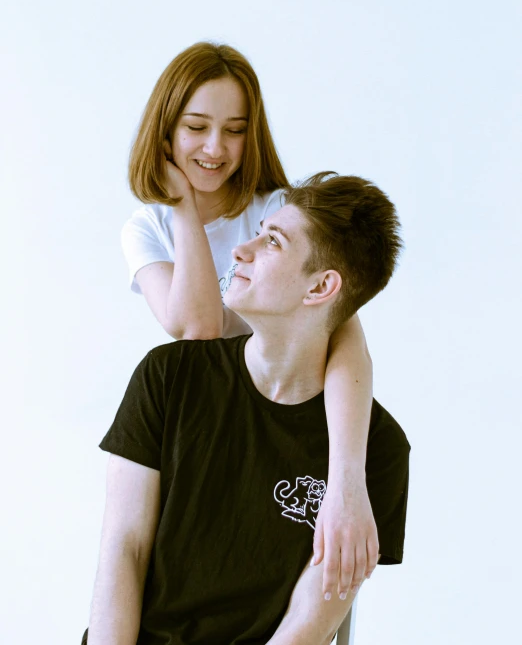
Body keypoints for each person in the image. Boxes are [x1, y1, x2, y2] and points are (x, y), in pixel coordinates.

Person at [83, 172, 410, 645]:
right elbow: (123, 550)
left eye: (272, 242)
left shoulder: (377, 450)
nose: (241, 250)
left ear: (320, 288)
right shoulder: (169, 376)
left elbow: (307, 625)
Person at [121, 42, 378, 598]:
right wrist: (184, 208)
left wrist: (347, 481)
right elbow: (195, 331)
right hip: (204, 426)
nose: (216, 148)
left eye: (235, 130)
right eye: (196, 127)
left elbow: (344, 332)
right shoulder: (147, 228)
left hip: (285, 420)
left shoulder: (276, 212)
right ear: (164, 130)